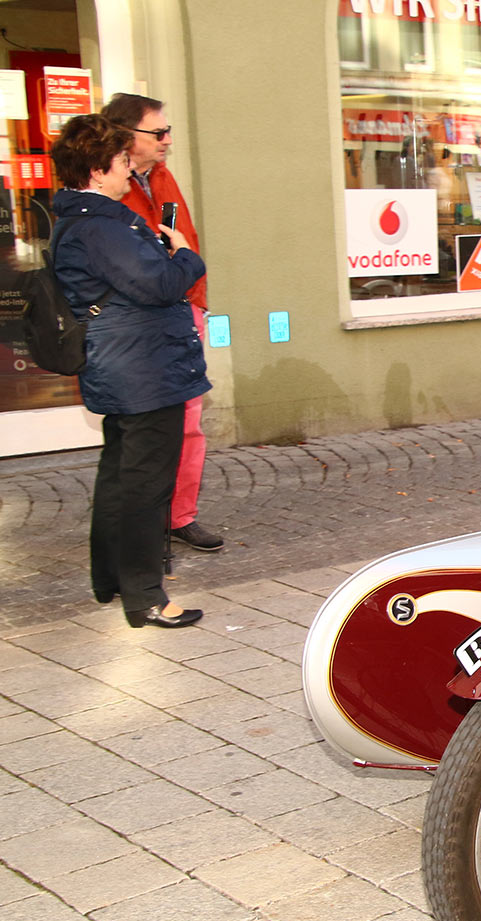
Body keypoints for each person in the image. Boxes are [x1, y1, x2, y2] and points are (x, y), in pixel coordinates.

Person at [48, 114, 208, 629]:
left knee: (120, 477)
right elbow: (159, 284)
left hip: (127, 365)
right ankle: (146, 598)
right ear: (97, 171)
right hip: (144, 370)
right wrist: (186, 257)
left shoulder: (86, 221)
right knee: (145, 484)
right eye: (121, 163)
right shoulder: (99, 226)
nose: (127, 171)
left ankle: (110, 579)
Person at [101, 93, 222, 553]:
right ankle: (141, 523)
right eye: (159, 132)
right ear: (125, 136)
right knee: (145, 426)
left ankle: (178, 517)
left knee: (189, 421)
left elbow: (185, 242)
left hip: (182, 307)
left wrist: (198, 305)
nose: (168, 139)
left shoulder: (162, 176)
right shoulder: (107, 188)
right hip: (138, 319)